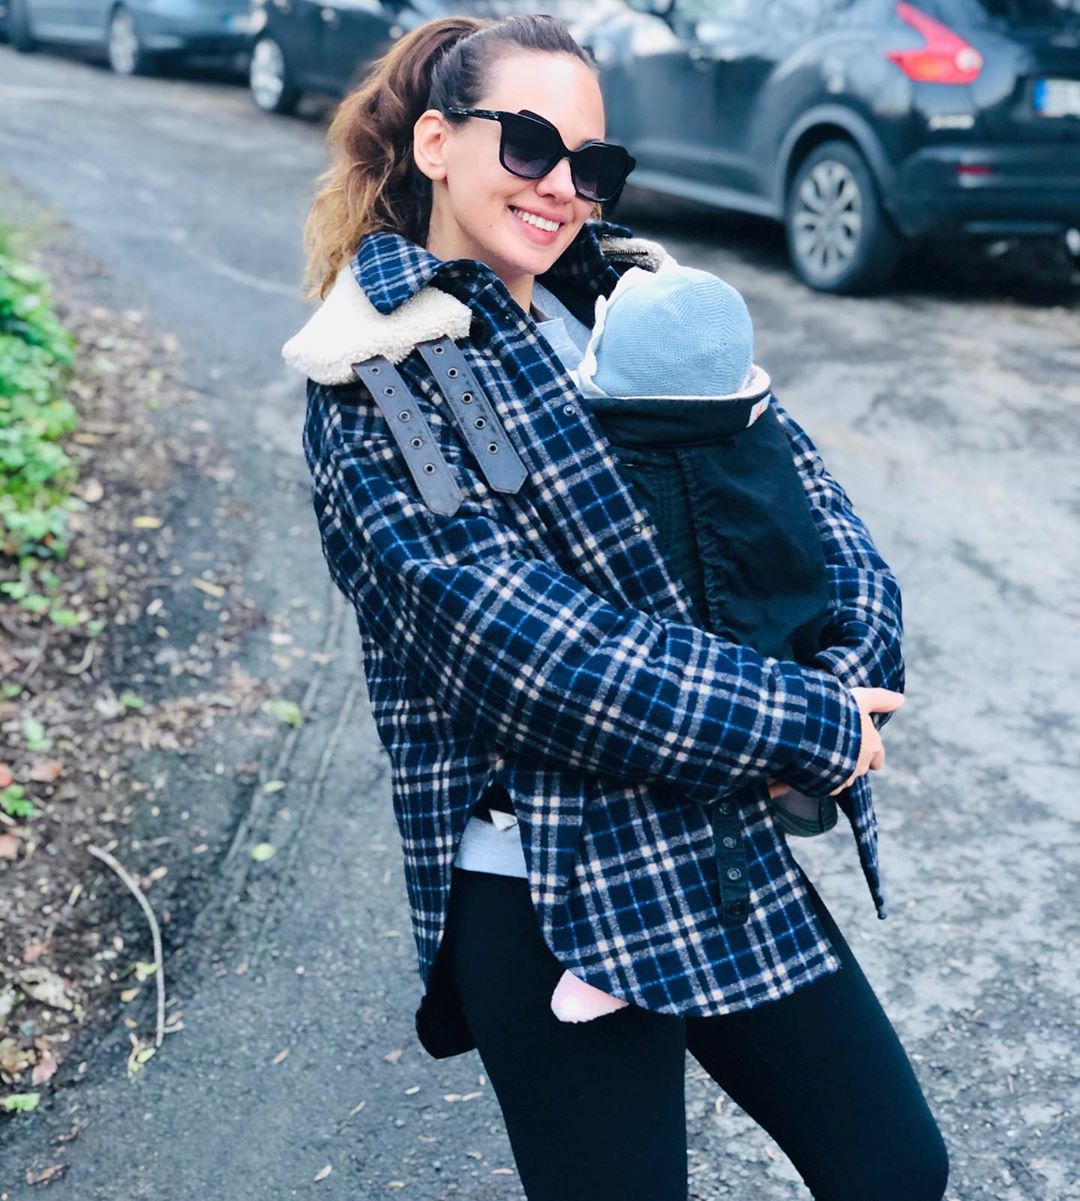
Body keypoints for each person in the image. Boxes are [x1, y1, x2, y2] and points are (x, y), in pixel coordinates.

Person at [284, 13, 949, 1201]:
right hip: (540, 884)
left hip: (711, 839)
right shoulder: (390, 371)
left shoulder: (631, 300)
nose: (563, 187)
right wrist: (805, 723)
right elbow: (526, 654)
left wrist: (851, 665)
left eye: (591, 163)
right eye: (529, 145)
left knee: (892, 1165)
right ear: (436, 143)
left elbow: (800, 500)